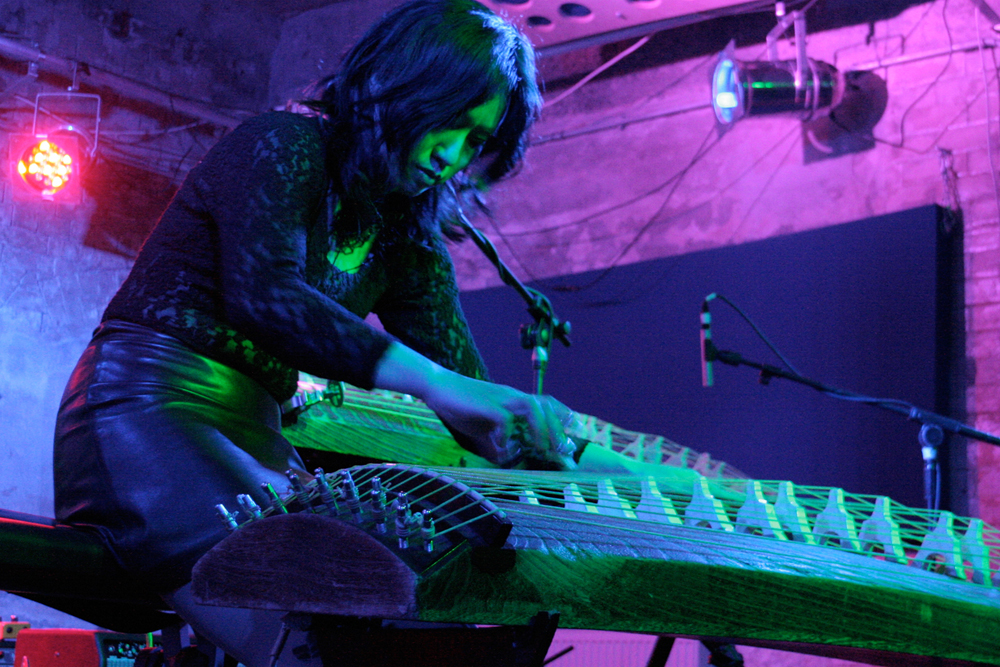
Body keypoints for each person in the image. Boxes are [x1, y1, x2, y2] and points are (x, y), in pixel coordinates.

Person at [52, 1, 568, 664]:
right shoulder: (283, 144)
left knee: (387, 604)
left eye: (476, 142)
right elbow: (266, 298)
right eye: (453, 123)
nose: (454, 154)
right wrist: (442, 387)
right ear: (405, 86)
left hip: (256, 436)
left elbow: (471, 395)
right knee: (309, 623)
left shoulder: (408, 236)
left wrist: (591, 471)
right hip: (145, 410)